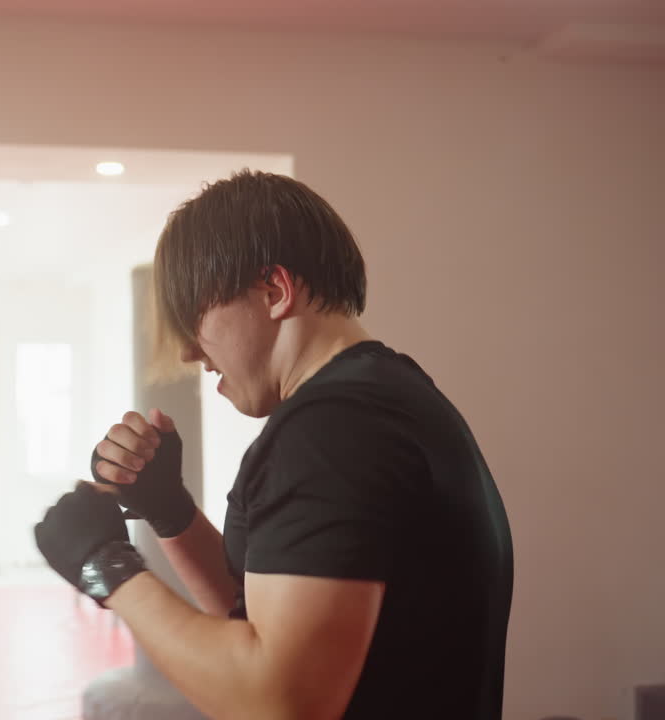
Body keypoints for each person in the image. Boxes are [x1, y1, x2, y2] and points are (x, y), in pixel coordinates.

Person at [34, 170, 513, 720]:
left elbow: (281, 702)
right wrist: (170, 511)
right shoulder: (384, 399)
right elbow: (261, 623)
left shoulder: (334, 429)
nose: (192, 351)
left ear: (274, 291)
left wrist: (105, 565)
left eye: (197, 315)